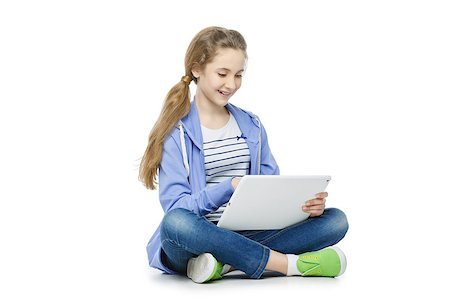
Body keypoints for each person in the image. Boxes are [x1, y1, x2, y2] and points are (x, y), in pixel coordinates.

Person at [139, 26, 349, 283]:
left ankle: (223, 263)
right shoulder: (177, 133)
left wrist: (305, 209)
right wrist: (230, 187)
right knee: (175, 224)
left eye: (238, 75)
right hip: (197, 236)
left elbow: (272, 189)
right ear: (196, 69)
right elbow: (177, 208)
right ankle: (286, 264)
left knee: (336, 220)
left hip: (249, 232)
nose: (231, 84)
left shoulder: (252, 125)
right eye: (222, 74)